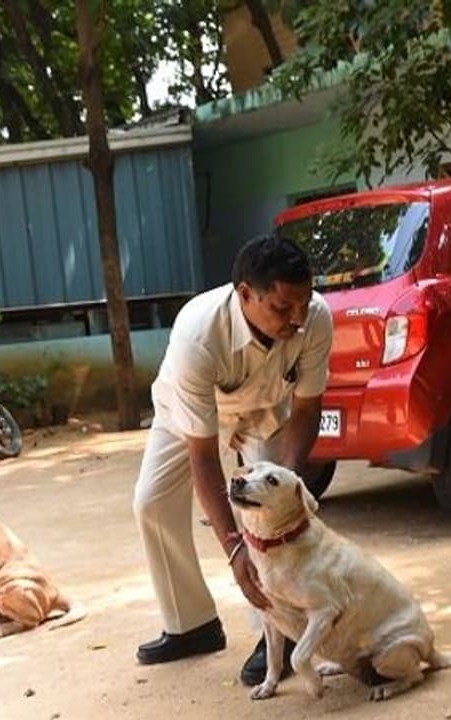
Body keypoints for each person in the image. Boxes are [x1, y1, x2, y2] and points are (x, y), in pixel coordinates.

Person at [133, 234, 333, 686]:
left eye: (303, 303)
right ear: (245, 294)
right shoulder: (198, 333)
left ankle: (276, 633)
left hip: (265, 409)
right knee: (151, 503)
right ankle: (193, 625)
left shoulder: (315, 316)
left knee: (269, 517)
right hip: (188, 414)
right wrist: (234, 548)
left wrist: (283, 485)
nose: (297, 318)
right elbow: (204, 458)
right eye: (283, 309)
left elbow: (306, 409)